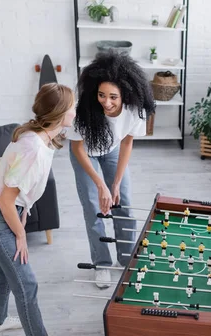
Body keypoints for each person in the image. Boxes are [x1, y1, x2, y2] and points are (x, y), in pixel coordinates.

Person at [0, 83, 77, 336]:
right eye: (72, 106)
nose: (75, 109)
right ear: (59, 113)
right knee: (26, 282)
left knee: (4, 272)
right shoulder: (32, 147)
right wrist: (21, 235)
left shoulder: (41, 136)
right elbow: (7, 201)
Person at [67, 51, 156, 288]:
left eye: (113, 97)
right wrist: (100, 184)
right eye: (102, 95)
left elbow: (127, 142)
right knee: (94, 209)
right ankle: (102, 264)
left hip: (113, 149)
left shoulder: (135, 110)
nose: (106, 102)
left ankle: (126, 260)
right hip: (86, 153)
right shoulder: (83, 110)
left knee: (123, 204)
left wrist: (115, 184)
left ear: (125, 95)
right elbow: (77, 149)